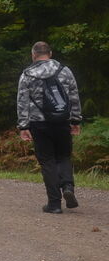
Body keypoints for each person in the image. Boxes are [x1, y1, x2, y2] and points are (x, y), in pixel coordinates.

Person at [17, 41, 82, 213]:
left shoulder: (27, 75)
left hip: (39, 124)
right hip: (62, 122)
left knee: (47, 161)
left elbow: (22, 102)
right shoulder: (65, 71)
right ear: (50, 53)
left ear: (33, 55)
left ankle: (54, 204)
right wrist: (75, 121)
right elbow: (74, 97)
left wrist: (23, 126)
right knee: (64, 156)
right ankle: (68, 186)